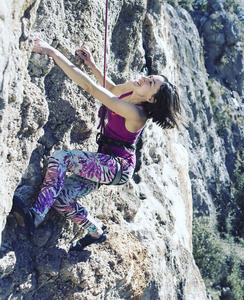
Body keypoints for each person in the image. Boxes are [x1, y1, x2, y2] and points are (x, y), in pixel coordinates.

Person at [10, 38, 182, 251]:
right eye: (149, 77)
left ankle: (34, 216)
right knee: (61, 200)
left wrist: (52, 52)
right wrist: (91, 64)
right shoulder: (132, 90)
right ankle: (96, 231)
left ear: (152, 100)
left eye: (150, 83)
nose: (145, 78)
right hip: (105, 159)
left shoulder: (137, 114)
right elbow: (110, 87)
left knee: (61, 158)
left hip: (117, 166)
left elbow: (90, 88)